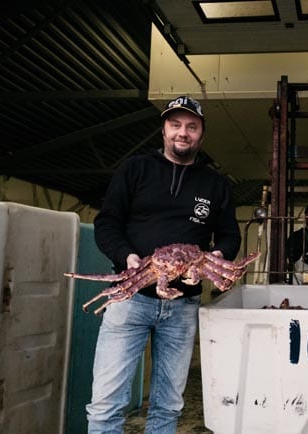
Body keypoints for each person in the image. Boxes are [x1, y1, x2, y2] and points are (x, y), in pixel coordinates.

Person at [87, 95, 242, 433]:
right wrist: (125, 255)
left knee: (168, 407)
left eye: (191, 126)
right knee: (105, 405)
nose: (182, 133)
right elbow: (107, 223)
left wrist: (218, 256)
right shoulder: (135, 169)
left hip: (183, 307)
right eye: (175, 125)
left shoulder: (216, 184)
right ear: (164, 130)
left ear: (201, 134)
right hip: (130, 298)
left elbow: (230, 236)